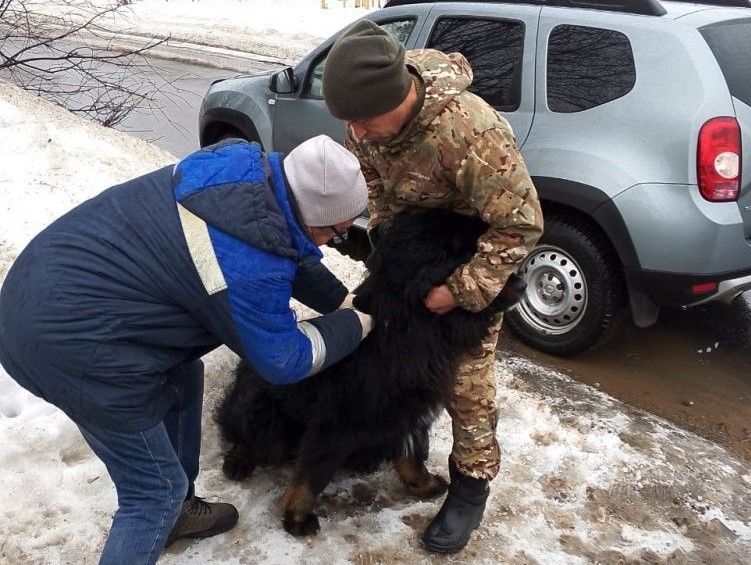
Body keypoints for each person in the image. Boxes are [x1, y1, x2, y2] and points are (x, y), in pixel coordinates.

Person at [0, 134, 372, 564]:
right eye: (336, 232)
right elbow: (283, 359)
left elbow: (286, 247)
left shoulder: (245, 173)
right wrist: (357, 323)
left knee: (182, 374)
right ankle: (166, 507)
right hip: (70, 345)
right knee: (152, 492)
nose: (333, 243)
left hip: (46, 291)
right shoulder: (248, 264)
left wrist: (341, 302)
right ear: (314, 217)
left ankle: (179, 514)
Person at [322, 20, 544, 553]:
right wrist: (386, 245)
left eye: (362, 121)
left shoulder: (471, 132)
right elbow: (371, 183)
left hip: (470, 260)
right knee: (393, 356)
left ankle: (470, 486)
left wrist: (463, 290)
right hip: (410, 260)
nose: (355, 133)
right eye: (347, 122)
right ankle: (409, 439)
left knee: (464, 383)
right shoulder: (367, 125)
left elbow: (521, 224)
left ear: (395, 99)